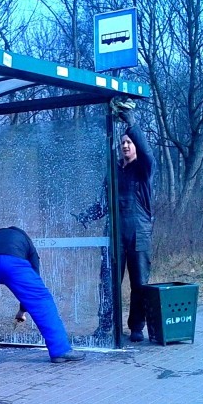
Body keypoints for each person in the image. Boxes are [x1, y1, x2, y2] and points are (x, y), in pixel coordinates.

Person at [74, 97, 155, 342]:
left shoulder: (143, 170)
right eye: (123, 143)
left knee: (139, 282)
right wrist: (87, 215)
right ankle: (105, 326)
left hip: (139, 232)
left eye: (129, 142)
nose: (126, 146)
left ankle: (137, 327)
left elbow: (148, 155)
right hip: (114, 232)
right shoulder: (113, 171)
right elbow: (103, 203)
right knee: (107, 282)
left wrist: (131, 125)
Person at [0, 226, 85, 363]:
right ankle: (60, 350)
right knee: (41, 299)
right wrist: (23, 310)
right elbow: (34, 274)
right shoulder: (25, 239)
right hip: (13, 262)